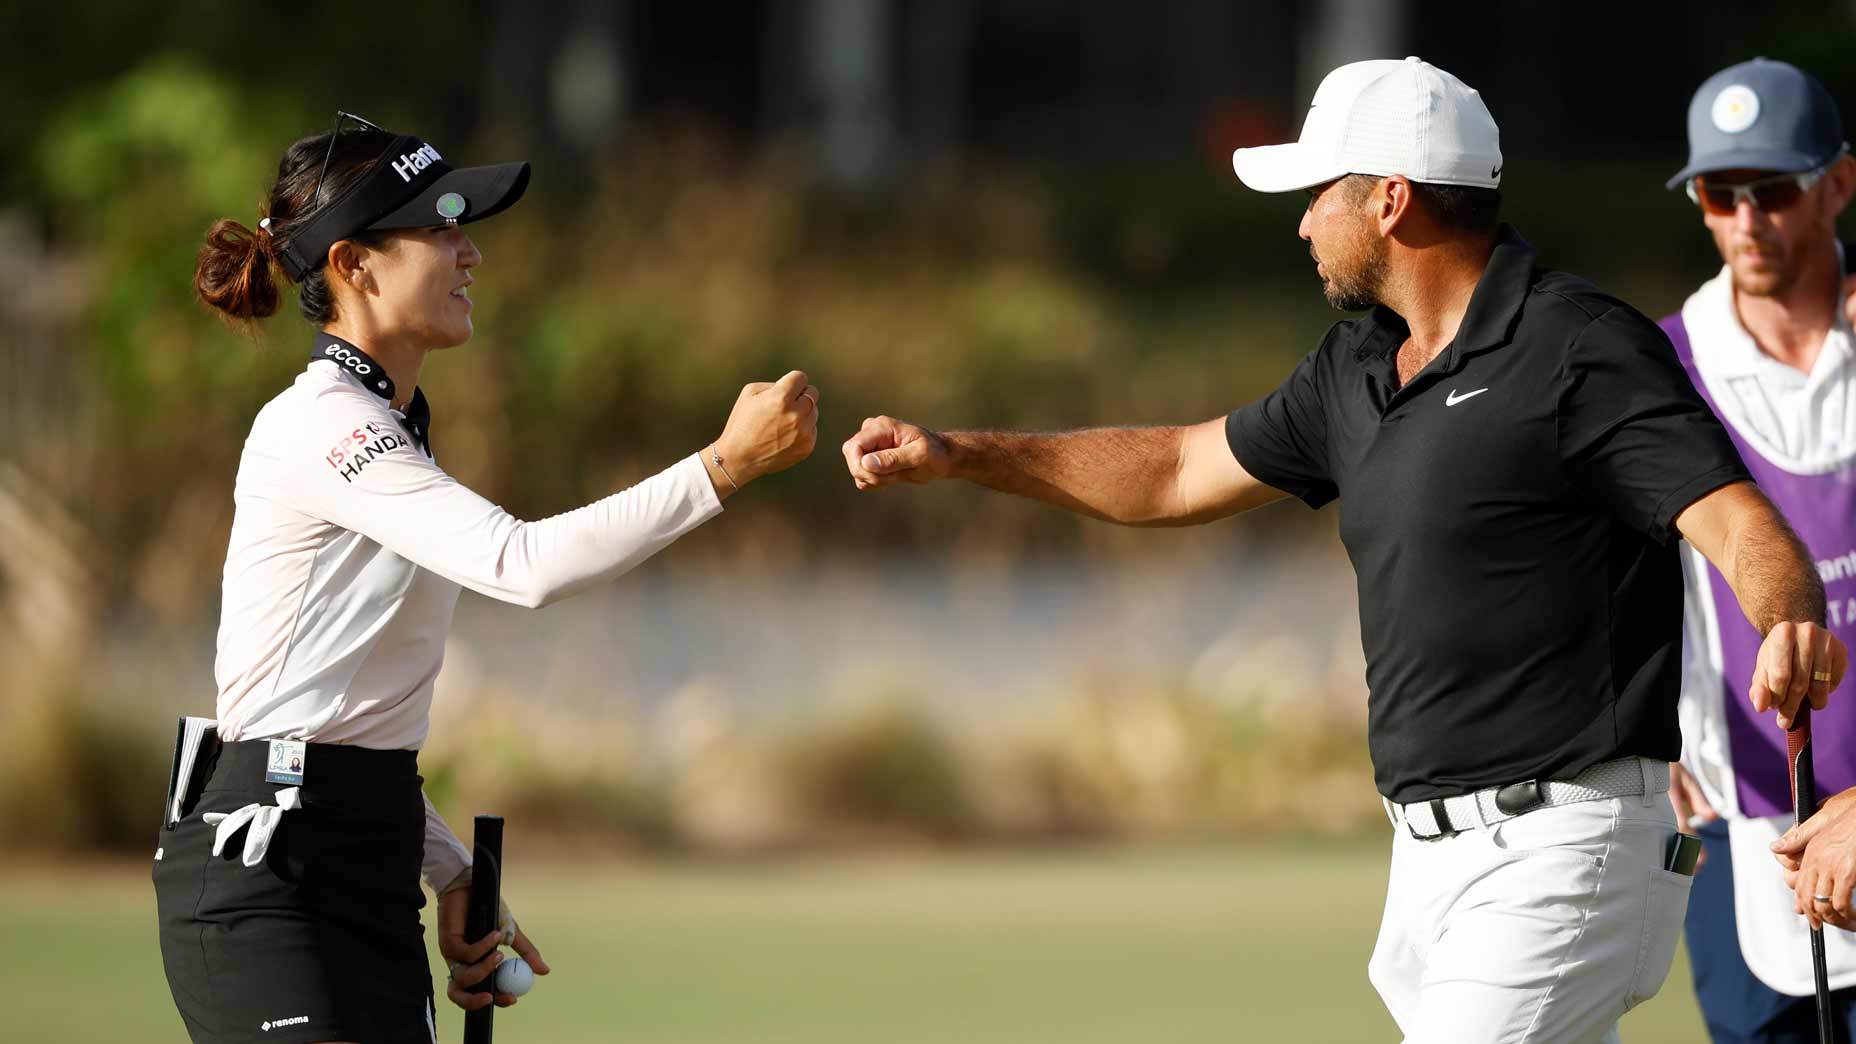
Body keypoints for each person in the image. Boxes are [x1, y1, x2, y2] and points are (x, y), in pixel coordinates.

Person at [840, 57, 1848, 1043]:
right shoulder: (1355, 364)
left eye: (1319, 192)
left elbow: (1734, 521)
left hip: (1566, 852)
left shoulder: (1578, 347)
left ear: (1389, 201)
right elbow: (1176, 471)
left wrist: (1785, 616)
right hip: (1424, 868)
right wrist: (960, 454)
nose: (1300, 220)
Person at [156, 112, 819, 1044]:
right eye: (437, 226)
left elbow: (355, 724)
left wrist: (452, 871)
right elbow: (524, 566)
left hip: (364, 862)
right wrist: (725, 466)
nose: (468, 251)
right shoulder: (322, 427)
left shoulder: (394, 430)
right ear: (352, 264)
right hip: (268, 883)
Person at [1655, 58, 1856, 1042]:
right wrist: (1634, 737)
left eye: (1770, 189)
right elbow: (1591, 582)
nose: (1744, 221)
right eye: (1715, 193)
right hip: (1737, 836)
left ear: (1837, 185)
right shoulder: (1654, 369)